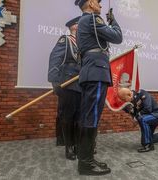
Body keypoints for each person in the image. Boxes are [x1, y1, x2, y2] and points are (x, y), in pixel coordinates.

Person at [75, 0, 123, 175]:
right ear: (90, 4)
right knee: (91, 117)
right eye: (98, 2)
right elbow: (117, 37)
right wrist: (113, 21)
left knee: (90, 116)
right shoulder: (91, 19)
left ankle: (87, 159)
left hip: (93, 71)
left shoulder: (85, 20)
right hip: (96, 72)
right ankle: (86, 164)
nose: (101, 6)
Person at [48, 16, 81, 160]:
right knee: (68, 117)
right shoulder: (65, 40)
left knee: (80, 117)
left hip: (82, 85)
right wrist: (54, 82)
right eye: (81, 24)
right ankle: (69, 146)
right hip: (68, 84)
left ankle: (79, 145)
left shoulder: (84, 44)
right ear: (74, 26)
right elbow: (55, 59)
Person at [118, 88, 158, 153]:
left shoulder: (142, 94)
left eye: (123, 99)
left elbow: (148, 108)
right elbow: (134, 113)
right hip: (148, 117)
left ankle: (149, 145)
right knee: (148, 137)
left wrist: (136, 118)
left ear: (129, 95)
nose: (124, 101)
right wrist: (133, 116)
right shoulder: (130, 102)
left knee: (142, 119)